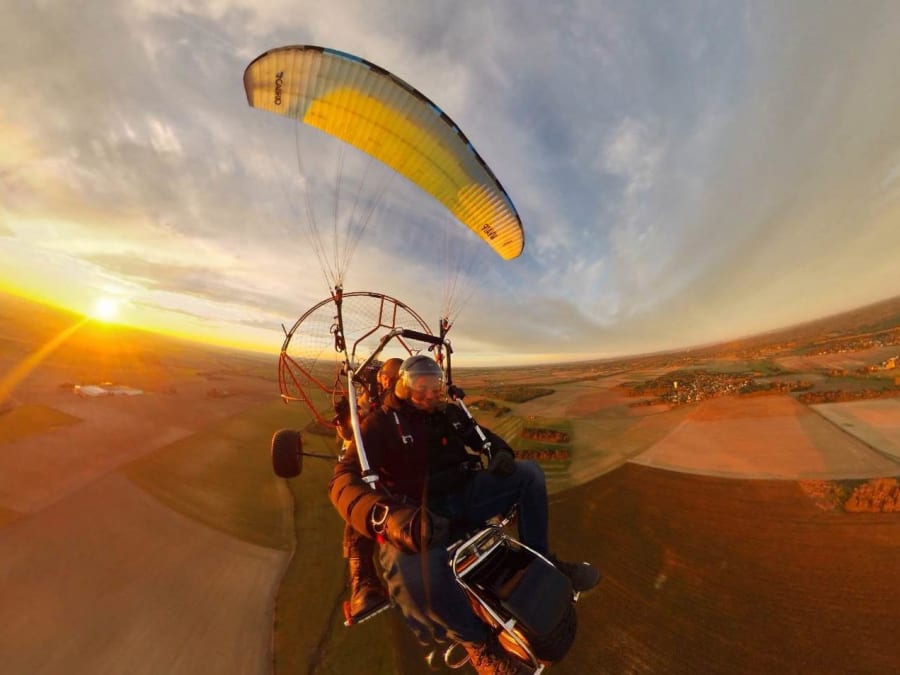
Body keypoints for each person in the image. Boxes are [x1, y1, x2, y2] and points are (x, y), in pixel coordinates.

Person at [329, 355, 600, 674]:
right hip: (418, 516)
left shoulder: (449, 414)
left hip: (465, 493)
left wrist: (500, 452)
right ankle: (478, 645)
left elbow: (482, 437)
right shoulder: (379, 425)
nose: (429, 395)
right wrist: (388, 518)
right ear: (402, 386)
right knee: (410, 568)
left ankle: (544, 559)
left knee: (530, 475)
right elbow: (342, 481)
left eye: (435, 388)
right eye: (421, 388)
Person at [335, 357, 404, 619]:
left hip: (407, 461)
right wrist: (345, 420)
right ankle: (362, 579)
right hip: (374, 465)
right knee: (362, 500)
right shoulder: (366, 401)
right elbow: (351, 436)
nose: (388, 382)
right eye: (387, 378)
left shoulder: (411, 397)